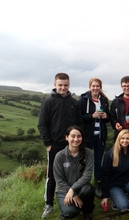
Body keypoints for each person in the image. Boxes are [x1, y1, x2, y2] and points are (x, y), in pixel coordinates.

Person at [38, 73, 83, 219]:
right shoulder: (48, 102)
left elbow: (80, 124)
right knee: (52, 175)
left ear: (69, 84)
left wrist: (79, 141)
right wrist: (48, 143)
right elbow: (42, 124)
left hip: (73, 145)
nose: (63, 87)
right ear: (55, 84)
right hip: (55, 145)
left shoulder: (74, 103)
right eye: (60, 85)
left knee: (75, 173)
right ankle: (49, 204)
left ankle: (77, 199)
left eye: (65, 85)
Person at [53, 126, 95, 220]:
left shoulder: (88, 153)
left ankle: (87, 212)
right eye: (73, 136)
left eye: (79, 136)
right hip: (63, 191)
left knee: (88, 189)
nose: (76, 139)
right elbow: (59, 179)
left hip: (81, 188)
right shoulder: (59, 156)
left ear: (82, 138)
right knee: (71, 212)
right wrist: (71, 193)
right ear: (66, 137)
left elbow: (87, 176)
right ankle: (69, 210)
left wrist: (73, 190)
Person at [79, 78, 111, 197]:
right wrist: (91, 116)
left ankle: (98, 185)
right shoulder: (83, 100)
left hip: (100, 136)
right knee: (85, 161)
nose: (95, 88)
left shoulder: (104, 100)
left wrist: (106, 116)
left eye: (98, 86)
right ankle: (84, 185)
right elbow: (79, 118)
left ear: (100, 87)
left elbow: (108, 118)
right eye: (93, 86)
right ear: (90, 87)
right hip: (87, 136)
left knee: (98, 162)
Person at [100, 129, 129, 213]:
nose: (125, 141)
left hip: (128, 182)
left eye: (128, 139)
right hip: (115, 184)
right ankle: (116, 199)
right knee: (123, 207)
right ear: (119, 139)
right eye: (123, 138)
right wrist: (105, 195)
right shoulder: (110, 154)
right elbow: (104, 175)